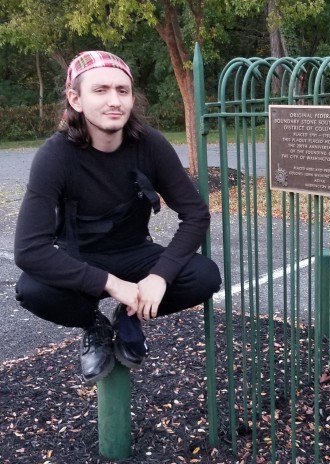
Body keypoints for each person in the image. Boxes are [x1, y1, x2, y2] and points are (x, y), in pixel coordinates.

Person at [14, 51, 222, 384]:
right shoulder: (55, 156)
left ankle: (128, 316)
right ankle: (93, 325)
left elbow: (195, 214)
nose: (115, 101)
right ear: (75, 99)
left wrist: (159, 278)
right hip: (78, 257)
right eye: (101, 90)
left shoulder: (150, 144)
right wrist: (111, 284)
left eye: (122, 91)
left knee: (204, 276)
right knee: (32, 290)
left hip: (134, 251)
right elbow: (29, 250)